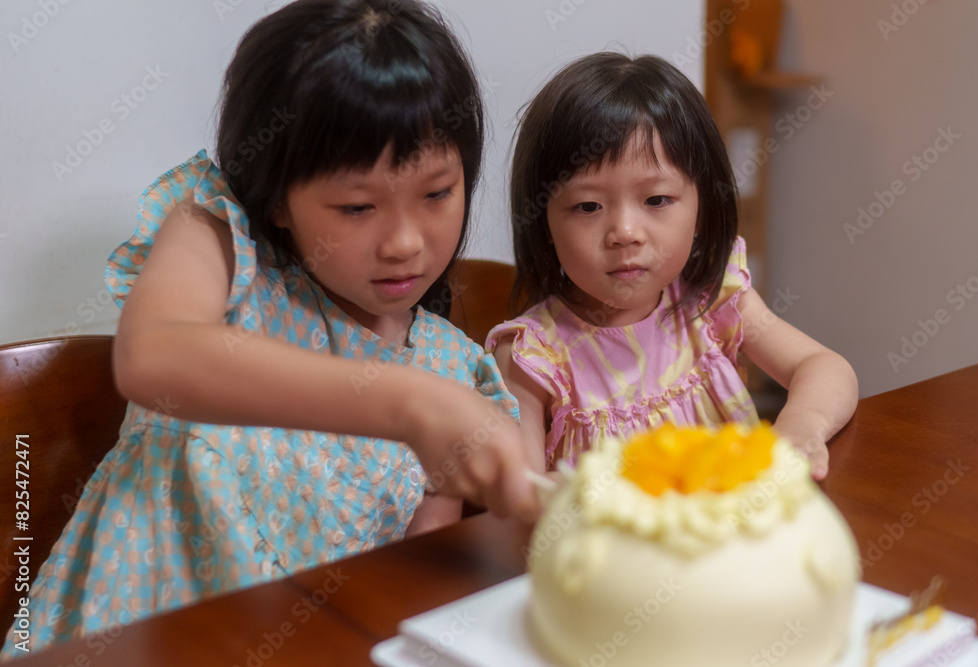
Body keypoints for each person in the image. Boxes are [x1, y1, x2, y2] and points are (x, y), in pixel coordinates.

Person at [2, 0, 539, 656]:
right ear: (278, 195)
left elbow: (402, 591)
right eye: (357, 205)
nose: (404, 242)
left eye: (436, 194)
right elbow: (153, 357)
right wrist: (407, 404)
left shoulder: (454, 371)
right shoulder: (221, 245)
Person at [487, 52, 858, 479]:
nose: (625, 232)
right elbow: (519, 501)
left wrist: (802, 427)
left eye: (656, 200)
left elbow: (826, 367)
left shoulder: (711, 299)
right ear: (543, 222)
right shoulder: (534, 357)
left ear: (701, 206)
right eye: (588, 205)